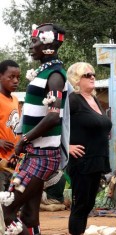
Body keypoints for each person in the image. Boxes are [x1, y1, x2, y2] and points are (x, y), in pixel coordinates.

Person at [0, 23, 68, 234]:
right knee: (29, 214)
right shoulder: (44, 73)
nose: (31, 45)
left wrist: (23, 140)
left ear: (48, 44)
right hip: (34, 156)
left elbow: (54, 117)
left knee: (7, 207)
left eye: (35, 41)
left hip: (41, 157)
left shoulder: (55, 75)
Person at [67, 62, 112, 235]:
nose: (93, 77)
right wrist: (67, 145)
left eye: (93, 74)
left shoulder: (93, 99)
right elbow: (54, 121)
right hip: (82, 162)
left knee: (89, 204)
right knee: (81, 205)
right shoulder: (73, 100)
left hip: (97, 160)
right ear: (76, 80)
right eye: (87, 75)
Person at [0, 60, 21, 191]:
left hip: (13, 161)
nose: (15, 81)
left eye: (18, 77)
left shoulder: (15, 100)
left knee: (12, 201)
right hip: (0, 162)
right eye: (11, 77)